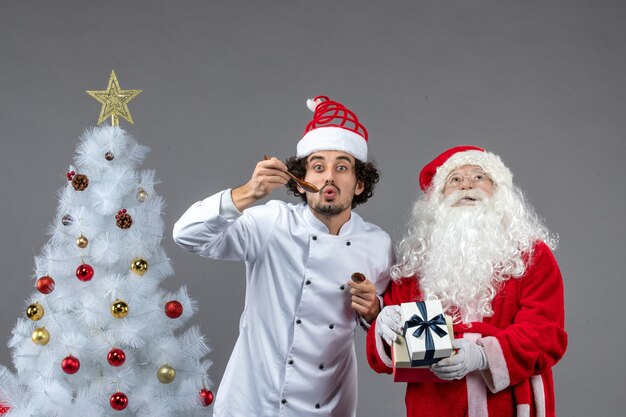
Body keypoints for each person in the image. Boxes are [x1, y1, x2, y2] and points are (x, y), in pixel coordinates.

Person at [173, 96, 393, 417]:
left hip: (331, 404)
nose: (328, 177)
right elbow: (186, 234)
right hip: (254, 401)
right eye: (317, 167)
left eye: (341, 167)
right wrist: (247, 193)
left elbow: (392, 322)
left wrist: (374, 310)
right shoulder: (272, 222)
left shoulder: (378, 244)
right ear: (301, 183)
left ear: (359, 184)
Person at [367, 146, 568, 417]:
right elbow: (393, 356)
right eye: (455, 180)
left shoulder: (532, 256)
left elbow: (546, 333)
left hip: (508, 406)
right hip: (434, 406)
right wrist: (385, 326)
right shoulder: (417, 264)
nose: (466, 187)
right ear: (438, 198)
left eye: (478, 177)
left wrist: (483, 356)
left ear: (498, 191)